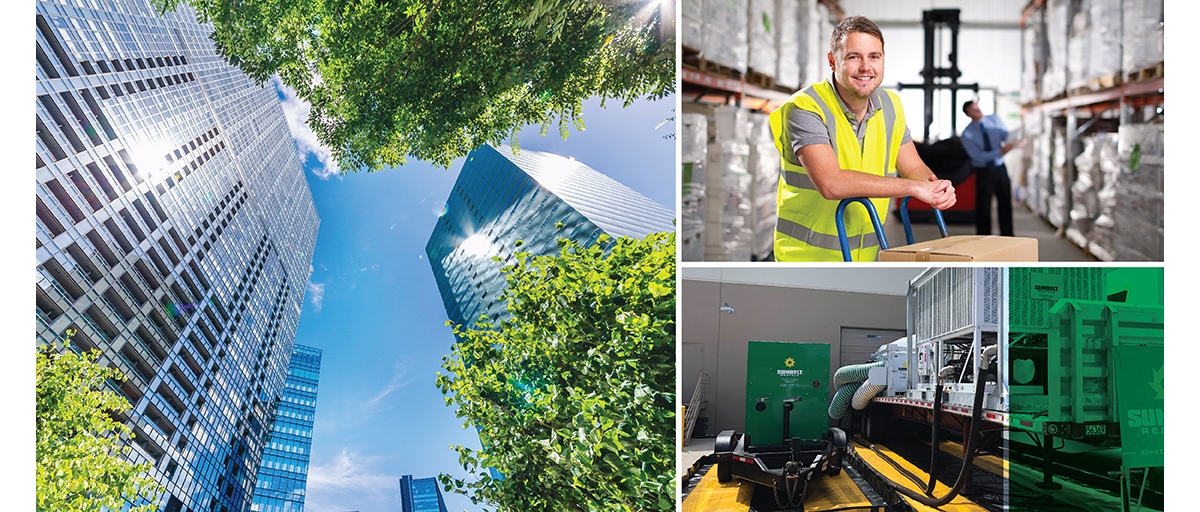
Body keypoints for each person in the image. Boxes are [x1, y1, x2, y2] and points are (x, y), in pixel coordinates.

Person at [768, 16, 956, 262]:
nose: (866, 67)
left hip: (865, 258)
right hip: (807, 261)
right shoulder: (806, 108)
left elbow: (913, 167)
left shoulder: (891, 106)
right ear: (832, 61)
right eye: (854, 57)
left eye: (874, 57)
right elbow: (831, 183)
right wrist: (913, 187)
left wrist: (935, 186)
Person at [960, 100, 1021, 236]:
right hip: (984, 171)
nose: (978, 111)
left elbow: (1006, 136)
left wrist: (1014, 142)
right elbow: (977, 157)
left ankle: (1007, 236)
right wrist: (999, 152)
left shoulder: (994, 119)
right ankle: (983, 238)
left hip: (1000, 168)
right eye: (973, 110)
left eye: (978, 108)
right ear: (968, 114)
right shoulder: (967, 134)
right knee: (983, 208)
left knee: (1005, 203)